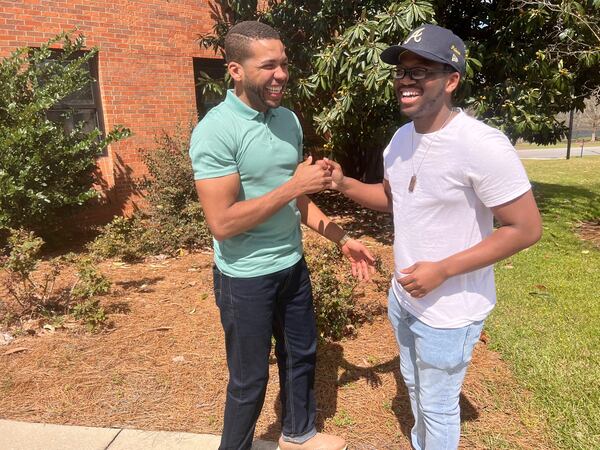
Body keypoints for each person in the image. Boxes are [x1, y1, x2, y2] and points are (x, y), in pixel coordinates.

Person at [325, 24, 542, 450]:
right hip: (404, 297)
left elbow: (526, 228)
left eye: (421, 70)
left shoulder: (482, 145)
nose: (406, 80)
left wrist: (443, 270)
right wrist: (344, 183)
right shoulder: (400, 139)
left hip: (450, 308)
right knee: (413, 384)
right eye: (402, 71)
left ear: (451, 80)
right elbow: (395, 198)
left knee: (440, 406)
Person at [189, 21, 374, 450]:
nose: (281, 75)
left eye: (284, 64)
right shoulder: (216, 131)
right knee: (250, 378)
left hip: (291, 265)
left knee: (301, 355)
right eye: (268, 65)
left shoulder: (287, 120)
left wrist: (341, 237)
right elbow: (223, 222)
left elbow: (297, 201)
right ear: (235, 70)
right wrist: (295, 185)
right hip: (245, 277)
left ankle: (299, 433)